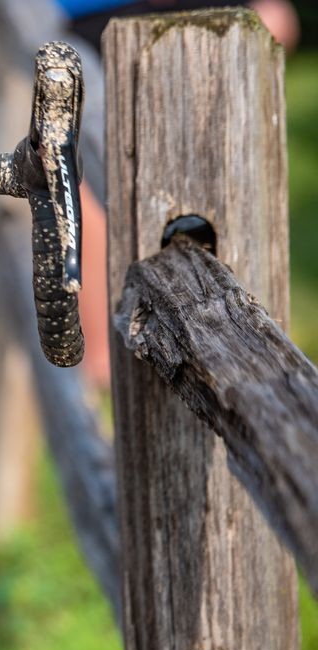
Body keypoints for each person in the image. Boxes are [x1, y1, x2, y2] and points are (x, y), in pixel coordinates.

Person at [53, 0, 299, 388]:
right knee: (95, 160)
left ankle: (238, 335)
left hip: (203, 16)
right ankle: (107, 360)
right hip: (101, 19)